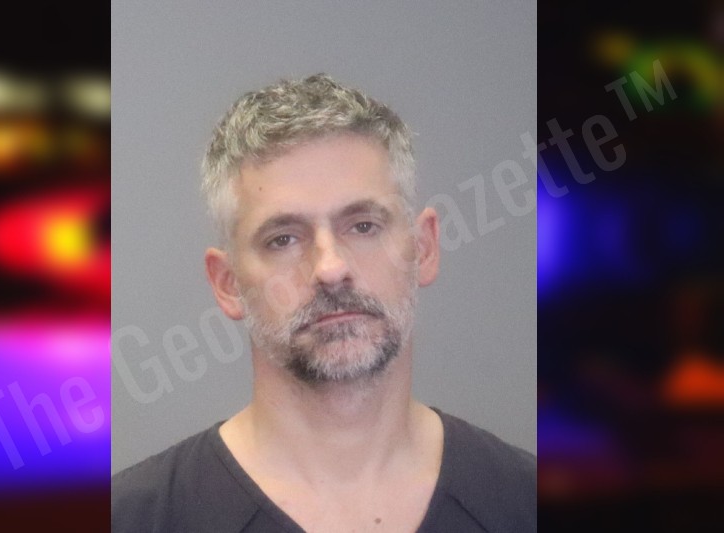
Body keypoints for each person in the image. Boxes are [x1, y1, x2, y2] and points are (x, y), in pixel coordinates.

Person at [112, 73, 535, 532]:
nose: (331, 268)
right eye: (283, 239)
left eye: (364, 226)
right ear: (228, 284)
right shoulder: (133, 518)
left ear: (424, 248)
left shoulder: (525, 501)